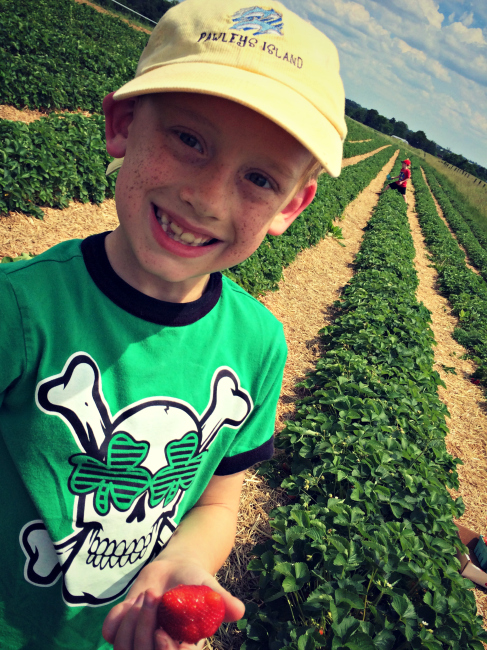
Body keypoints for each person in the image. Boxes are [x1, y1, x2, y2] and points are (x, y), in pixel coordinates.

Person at [0, 1, 346, 648]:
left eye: (259, 178)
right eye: (189, 140)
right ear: (123, 125)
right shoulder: (19, 309)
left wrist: (184, 562)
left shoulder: (258, 346)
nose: (208, 198)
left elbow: (217, 502)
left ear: (291, 206)